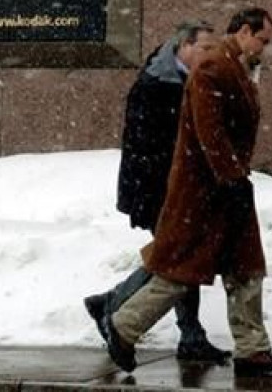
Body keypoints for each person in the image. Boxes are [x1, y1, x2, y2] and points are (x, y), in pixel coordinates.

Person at [105, 8, 272, 378]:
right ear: (243, 31)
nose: (265, 48)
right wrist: (231, 178)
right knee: (181, 272)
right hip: (207, 193)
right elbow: (210, 134)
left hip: (225, 189)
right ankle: (123, 326)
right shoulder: (213, 68)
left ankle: (253, 350)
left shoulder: (233, 67)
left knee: (246, 270)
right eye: (262, 40)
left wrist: (234, 180)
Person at [84, 20, 228, 362]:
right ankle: (184, 333)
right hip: (157, 190)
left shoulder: (186, 81)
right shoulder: (156, 85)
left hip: (178, 188)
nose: (211, 56)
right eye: (205, 49)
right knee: (177, 259)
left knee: (175, 256)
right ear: (184, 47)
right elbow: (149, 147)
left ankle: (113, 302)